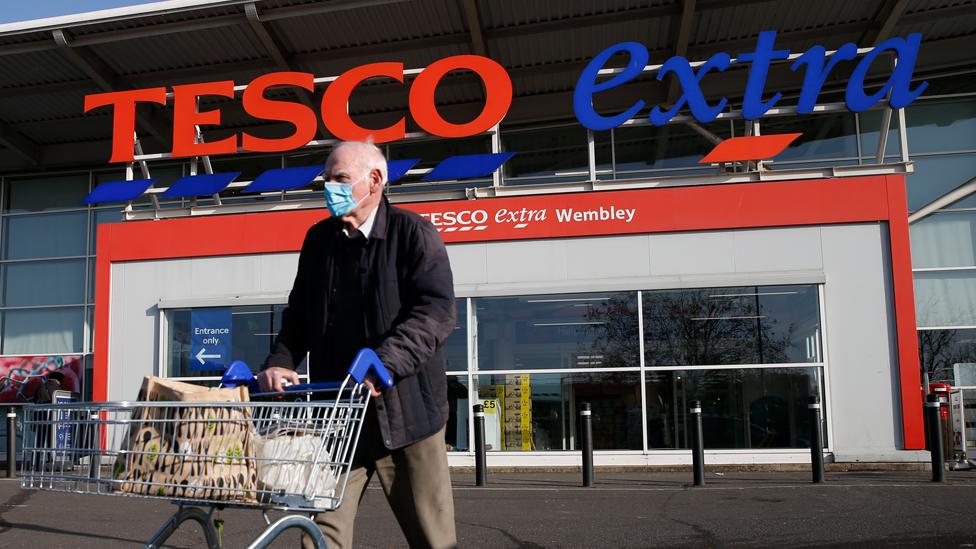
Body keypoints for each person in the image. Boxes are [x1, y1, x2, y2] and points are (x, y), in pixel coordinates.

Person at [258, 141, 457, 549]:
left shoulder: (412, 234)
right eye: (327, 180)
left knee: (434, 539)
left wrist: (384, 363)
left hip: (408, 417)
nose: (330, 187)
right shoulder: (319, 242)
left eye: (340, 179)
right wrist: (279, 360)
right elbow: (299, 315)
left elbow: (434, 313)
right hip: (340, 421)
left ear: (376, 180)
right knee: (320, 534)